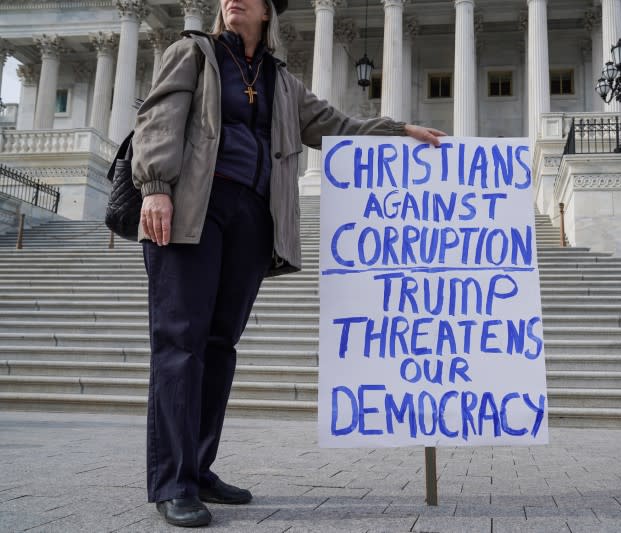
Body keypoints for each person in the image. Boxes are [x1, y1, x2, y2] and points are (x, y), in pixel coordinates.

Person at [132, 0, 445, 527]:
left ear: (266, 13)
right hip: (192, 210)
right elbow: (159, 117)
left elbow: (334, 125)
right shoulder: (193, 52)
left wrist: (399, 132)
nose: (234, 0)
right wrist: (156, 187)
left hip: (252, 221)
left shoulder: (281, 81)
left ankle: (199, 467)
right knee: (180, 344)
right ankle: (173, 481)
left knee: (218, 346)